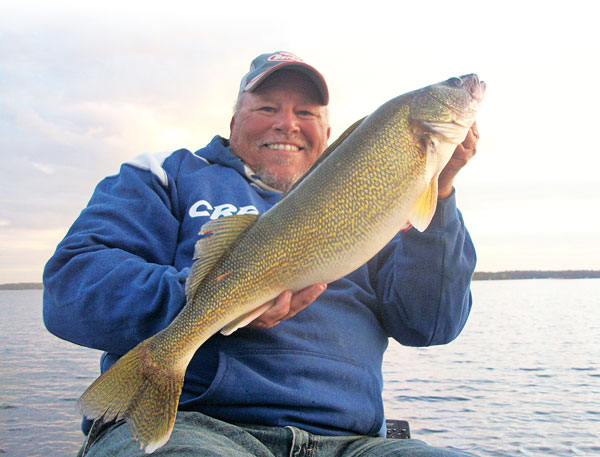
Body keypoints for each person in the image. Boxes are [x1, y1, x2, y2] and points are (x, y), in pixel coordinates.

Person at [43, 51, 480, 457]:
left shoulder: (378, 203)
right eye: (267, 108)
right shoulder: (166, 176)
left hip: (353, 442)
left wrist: (439, 192)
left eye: (305, 112)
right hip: (198, 427)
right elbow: (70, 284)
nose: (287, 123)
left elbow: (431, 325)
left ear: (330, 134)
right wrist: (206, 298)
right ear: (234, 121)